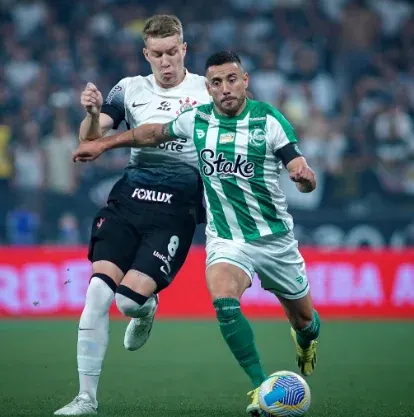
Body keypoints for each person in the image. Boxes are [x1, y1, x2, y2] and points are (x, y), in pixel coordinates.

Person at [73, 50, 321, 417]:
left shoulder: (268, 120)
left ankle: (305, 340)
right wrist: (102, 143)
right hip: (226, 239)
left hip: (273, 240)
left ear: (245, 81)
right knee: (223, 298)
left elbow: (297, 164)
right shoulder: (199, 119)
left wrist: (304, 178)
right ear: (208, 88)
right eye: (217, 83)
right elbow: (151, 133)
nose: (225, 89)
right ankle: (260, 388)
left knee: (304, 320)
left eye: (231, 80)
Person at [55, 15, 211, 416]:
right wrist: (91, 113)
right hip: (129, 199)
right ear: (146, 54)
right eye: (157, 54)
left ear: (184, 50)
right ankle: (85, 398)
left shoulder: (206, 91)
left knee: (126, 304)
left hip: (177, 207)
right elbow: (90, 137)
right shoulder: (128, 89)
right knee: (96, 292)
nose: (165, 61)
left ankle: (146, 308)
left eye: (172, 52)